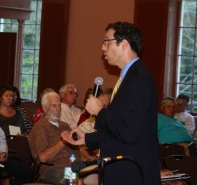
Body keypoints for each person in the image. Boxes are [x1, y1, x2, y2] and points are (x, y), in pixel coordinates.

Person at [62, 21, 161, 185]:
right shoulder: (128, 78)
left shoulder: (139, 80)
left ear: (123, 44)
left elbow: (129, 133)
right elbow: (120, 128)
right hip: (124, 170)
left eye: (106, 41)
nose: (103, 48)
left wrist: (99, 111)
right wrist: (87, 139)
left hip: (132, 173)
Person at [28, 91, 82, 184]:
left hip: (73, 166)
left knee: (98, 175)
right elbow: (42, 157)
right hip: (53, 169)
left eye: (59, 105)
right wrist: (62, 142)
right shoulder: (40, 126)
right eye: (54, 106)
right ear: (45, 108)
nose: (58, 109)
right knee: (76, 180)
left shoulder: (65, 125)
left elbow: (76, 149)